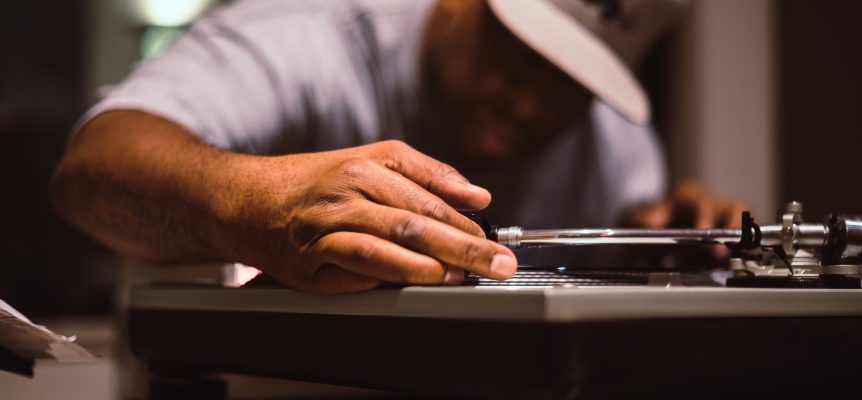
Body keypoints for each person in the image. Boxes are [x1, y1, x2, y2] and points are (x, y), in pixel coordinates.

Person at [50, 0, 744, 294]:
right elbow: (89, 171)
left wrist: (665, 250)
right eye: (517, 50)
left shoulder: (618, 146)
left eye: (571, 83)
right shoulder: (306, 40)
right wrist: (254, 205)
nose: (529, 100)